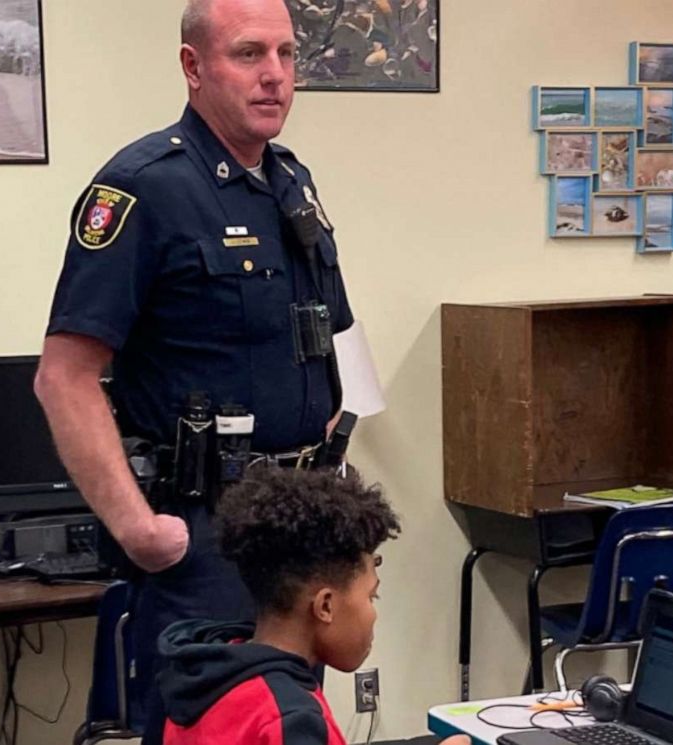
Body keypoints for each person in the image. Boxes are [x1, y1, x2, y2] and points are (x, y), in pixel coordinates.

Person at [34, 0, 353, 741]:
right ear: (193, 66)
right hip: (205, 534)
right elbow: (64, 376)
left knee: (293, 725)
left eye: (286, 54)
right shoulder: (144, 187)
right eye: (249, 54)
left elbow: (329, 338)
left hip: (296, 533)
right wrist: (140, 529)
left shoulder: (289, 182)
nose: (274, 75)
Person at [158, 468, 470, 745]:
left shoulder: (210, 672)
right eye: (371, 597)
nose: (373, 614)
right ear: (325, 606)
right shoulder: (289, 717)